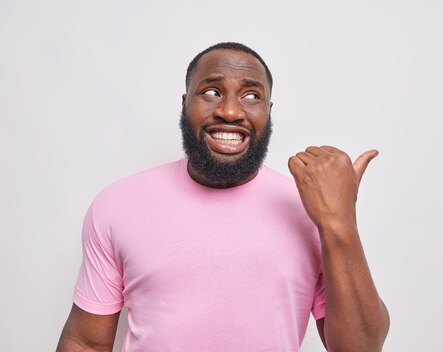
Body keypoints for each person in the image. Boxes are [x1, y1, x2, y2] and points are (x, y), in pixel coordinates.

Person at [56, 42, 389, 351]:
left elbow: (361, 348)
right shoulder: (117, 205)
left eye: (250, 96)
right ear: (185, 103)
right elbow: (86, 342)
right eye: (212, 92)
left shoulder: (309, 210)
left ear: (268, 112)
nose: (230, 111)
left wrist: (338, 222)